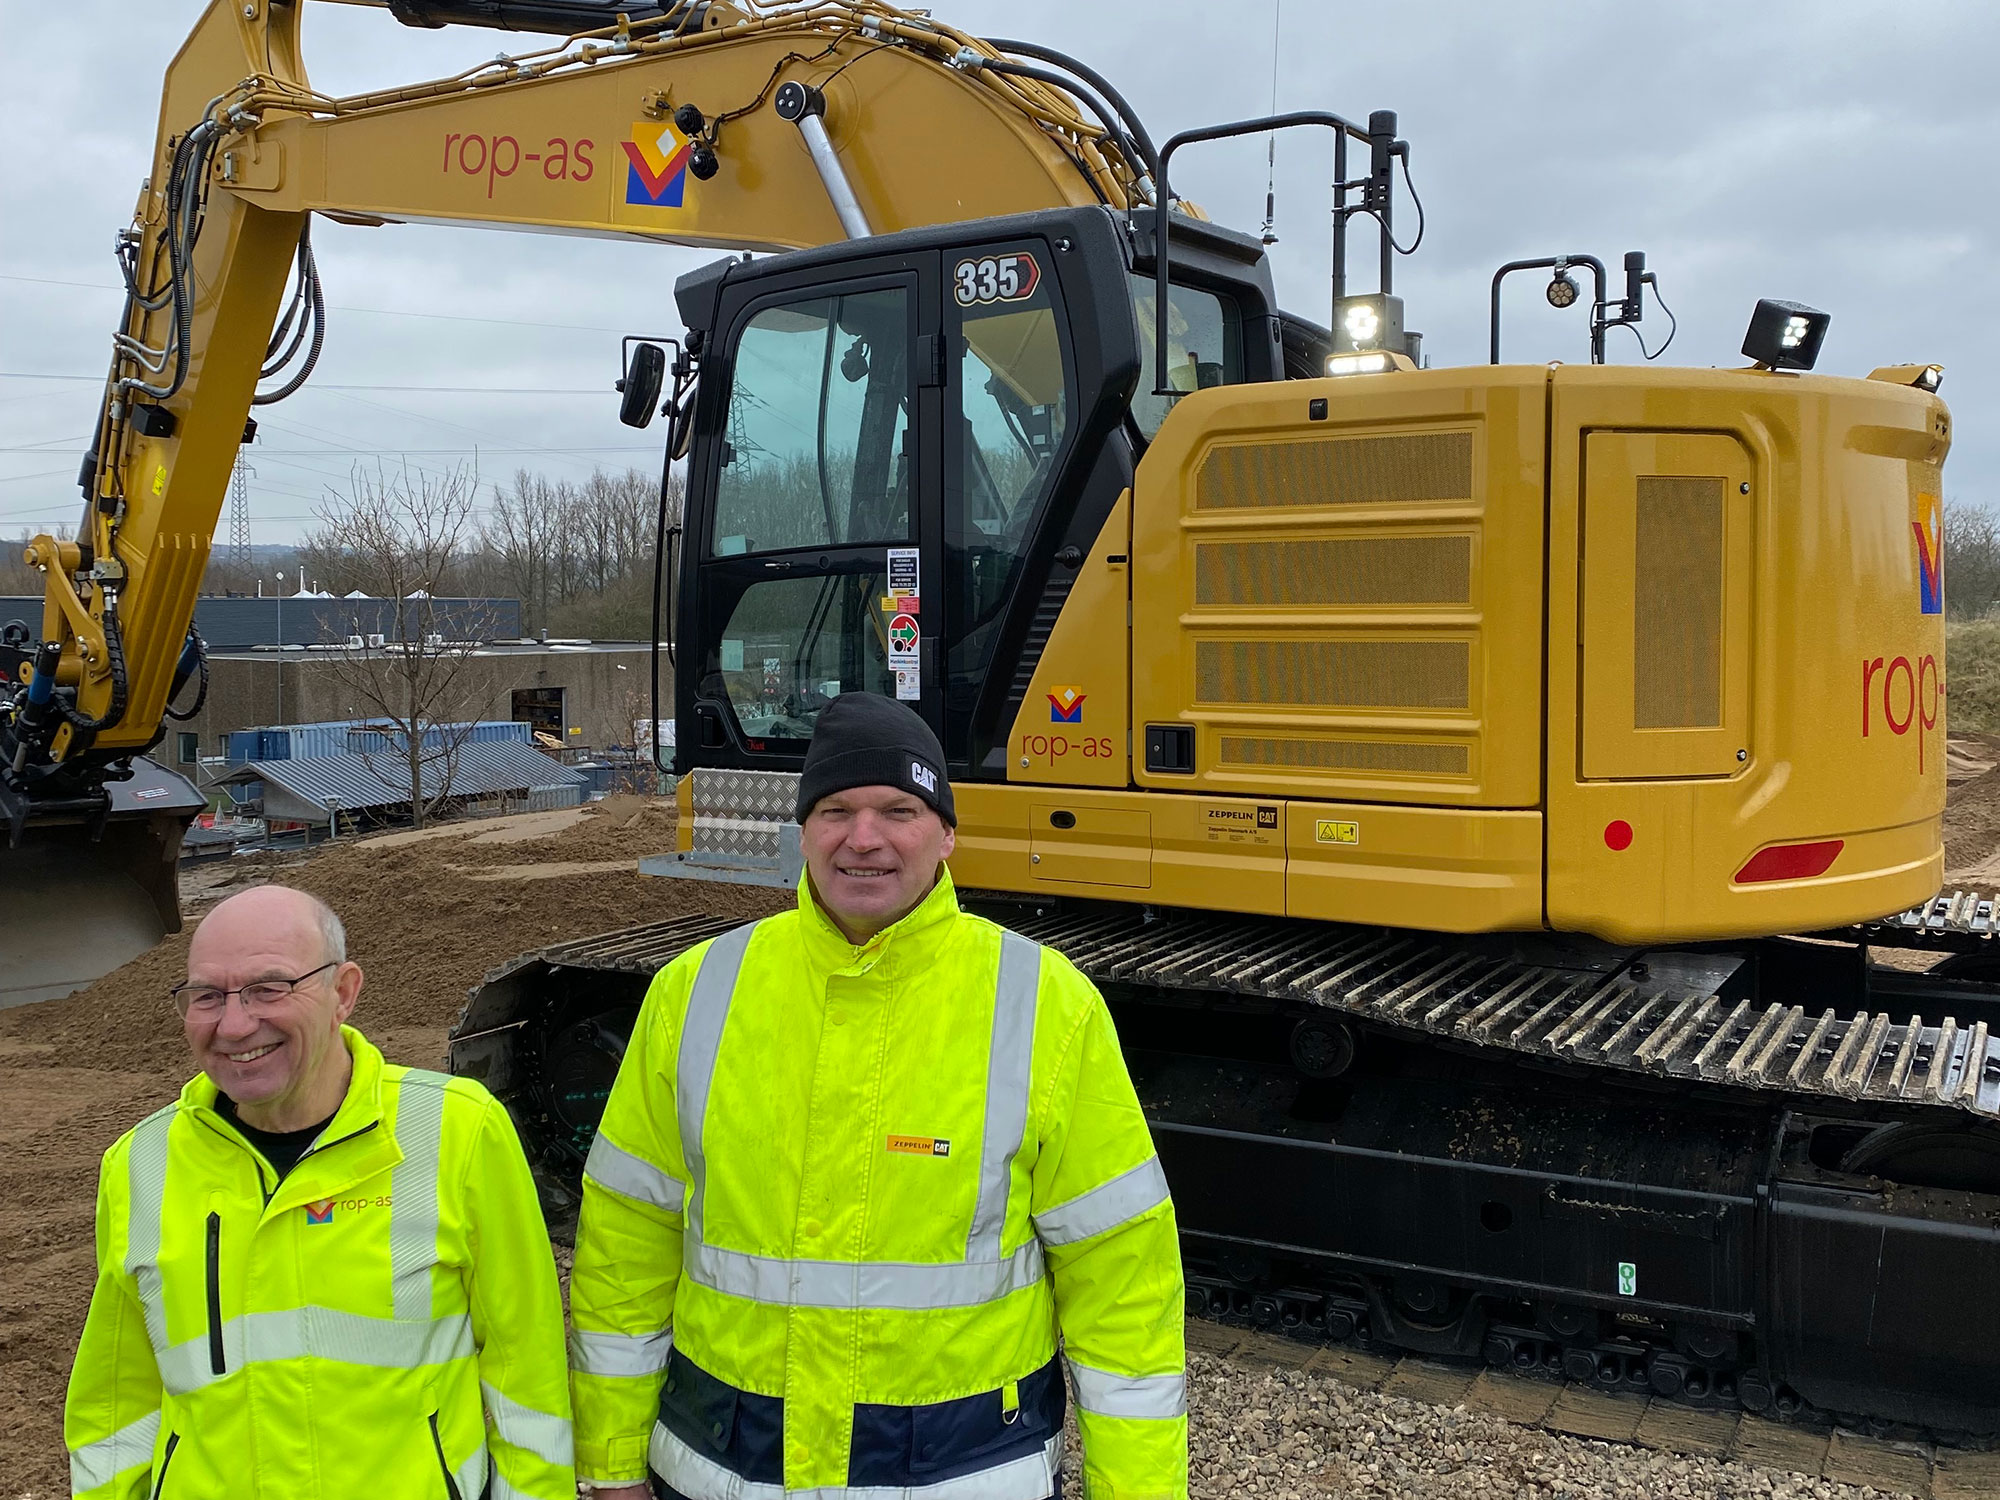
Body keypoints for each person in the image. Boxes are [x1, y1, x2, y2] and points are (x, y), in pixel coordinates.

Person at [570, 693, 1188, 1500]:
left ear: (947, 833)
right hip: (722, 1472)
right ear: (802, 831)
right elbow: (627, 1242)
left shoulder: (1046, 1006)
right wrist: (612, 1459)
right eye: (836, 811)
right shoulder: (695, 992)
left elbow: (1123, 1282)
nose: (864, 838)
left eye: (899, 810)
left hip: (962, 1479)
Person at [63, 885, 575, 1500]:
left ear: (343, 992)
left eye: (269, 988)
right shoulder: (139, 1164)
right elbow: (116, 1403)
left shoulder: (456, 1131)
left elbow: (527, 1374)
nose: (234, 1024)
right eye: (207, 996)